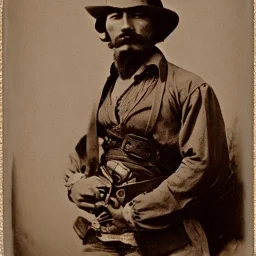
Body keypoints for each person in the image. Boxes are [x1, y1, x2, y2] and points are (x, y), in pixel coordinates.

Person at [64, 1, 242, 255]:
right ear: (105, 26)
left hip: (170, 238)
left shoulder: (190, 88)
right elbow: (87, 150)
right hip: (104, 235)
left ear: (156, 24)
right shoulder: (104, 90)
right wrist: (76, 185)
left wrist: (133, 212)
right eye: (115, 15)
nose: (125, 25)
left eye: (137, 14)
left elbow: (203, 165)